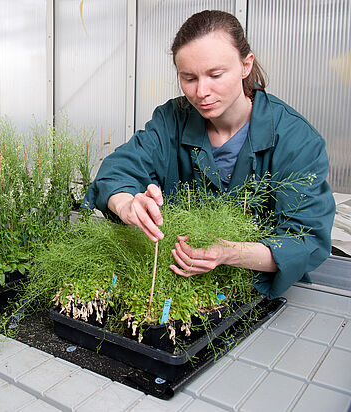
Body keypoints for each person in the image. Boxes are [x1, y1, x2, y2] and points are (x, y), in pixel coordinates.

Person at [83, 10, 335, 299]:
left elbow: (305, 239)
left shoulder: (296, 139)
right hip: (180, 286)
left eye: (216, 75)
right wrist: (127, 204)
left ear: (245, 64)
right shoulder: (172, 119)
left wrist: (227, 253)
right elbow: (117, 171)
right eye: (189, 78)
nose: (202, 91)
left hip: (260, 294)